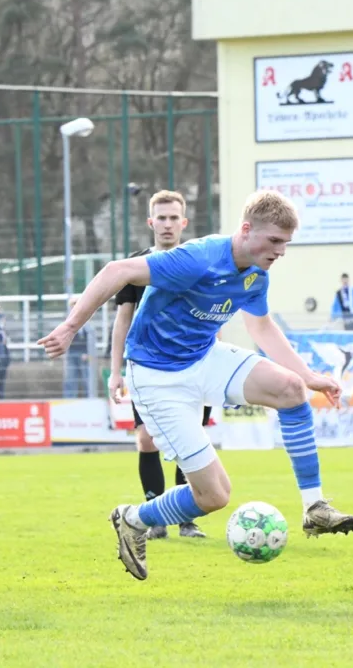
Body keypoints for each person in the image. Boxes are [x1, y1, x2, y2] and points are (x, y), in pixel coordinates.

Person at [39, 189, 353, 582]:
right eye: (274, 240)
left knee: (292, 390)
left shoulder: (257, 273)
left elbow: (261, 326)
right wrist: (71, 327)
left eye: (286, 243)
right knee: (214, 496)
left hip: (204, 358)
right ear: (245, 230)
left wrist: (309, 376)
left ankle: (315, 508)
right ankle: (132, 519)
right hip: (157, 378)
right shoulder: (197, 259)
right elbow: (116, 272)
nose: (280, 251)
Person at [106, 189, 207, 540]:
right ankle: (155, 515)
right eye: (160, 218)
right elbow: (123, 319)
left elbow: (211, 316)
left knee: (189, 439)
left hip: (192, 364)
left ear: (184, 222)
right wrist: (115, 371)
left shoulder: (197, 261)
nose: (167, 224)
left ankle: (187, 519)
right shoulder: (136, 265)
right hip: (147, 366)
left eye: (172, 218)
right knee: (147, 439)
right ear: (151, 222)